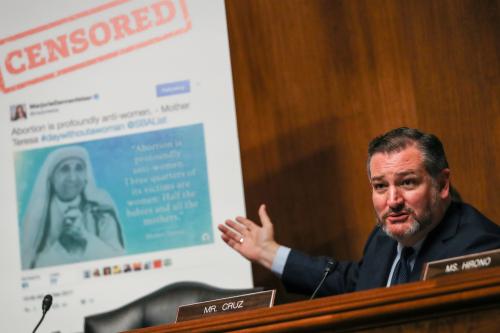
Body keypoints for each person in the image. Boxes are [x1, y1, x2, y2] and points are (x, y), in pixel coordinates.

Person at [218, 127, 500, 297]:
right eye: (380, 186)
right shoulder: (384, 237)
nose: (393, 200)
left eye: (407, 182)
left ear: (442, 184)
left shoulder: (479, 248)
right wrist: (268, 252)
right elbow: (351, 282)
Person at [21, 146, 125, 269]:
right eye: (64, 169)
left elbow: (119, 260)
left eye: (79, 169)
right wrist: (62, 244)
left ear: (86, 176)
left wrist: (85, 239)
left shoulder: (101, 212)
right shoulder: (38, 217)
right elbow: (30, 267)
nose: (73, 177)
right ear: (51, 178)